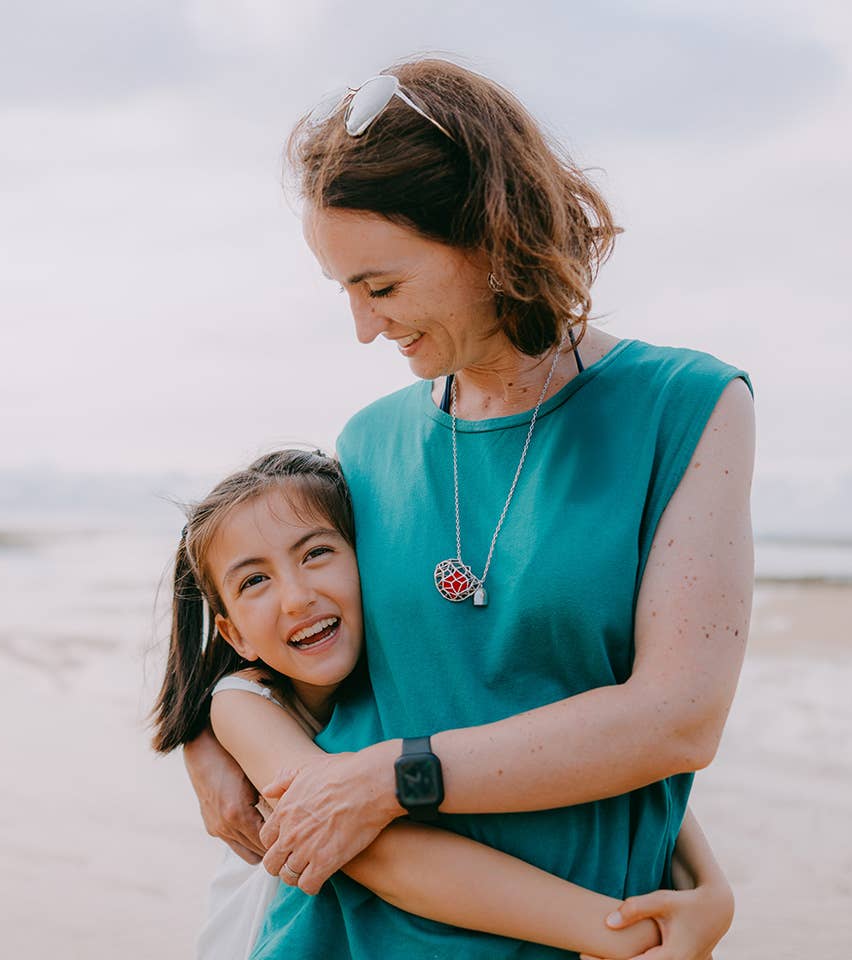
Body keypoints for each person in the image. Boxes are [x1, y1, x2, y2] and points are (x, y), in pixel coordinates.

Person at [181, 58, 755, 959]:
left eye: (382, 287)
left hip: (588, 939)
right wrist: (213, 731)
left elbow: (677, 717)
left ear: (490, 238)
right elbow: (311, 662)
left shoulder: (687, 407)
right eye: (346, 293)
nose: (366, 328)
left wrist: (702, 881)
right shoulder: (369, 442)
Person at [153, 449, 734, 960]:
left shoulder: (412, 663)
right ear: (235, 636)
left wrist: (710, 889)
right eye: (254, 581)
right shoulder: (244, 703)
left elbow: (591, 754)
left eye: (317, 553)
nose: (297, 597)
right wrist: (619, 933)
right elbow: (375, 852)